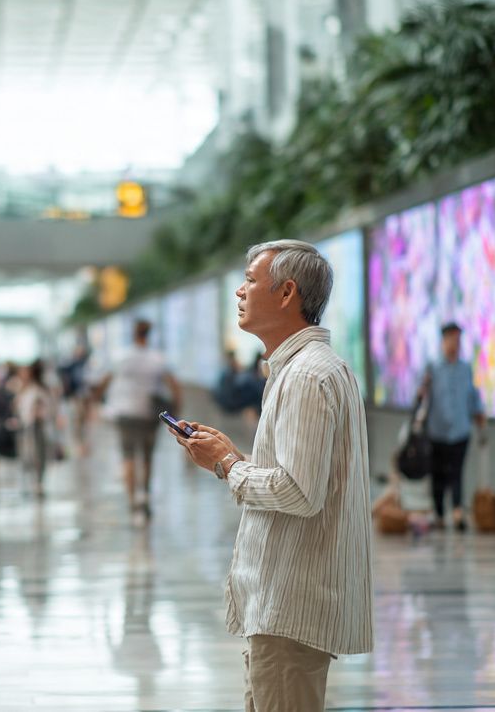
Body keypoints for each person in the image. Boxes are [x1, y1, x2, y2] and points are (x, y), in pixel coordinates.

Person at [169, 240, 372, 711]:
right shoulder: (309, 369)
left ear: (286, 293)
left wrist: (226, 465)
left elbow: (299, 492)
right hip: (285, 605)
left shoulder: (305, 376)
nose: (240, 292)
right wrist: (231, 454)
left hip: (290, 605)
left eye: (250, 281)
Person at [97, 319, 182, 520]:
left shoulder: (121, 356)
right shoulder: (157, 358)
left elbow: (104, 382)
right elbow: (174, 387)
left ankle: (132, 500)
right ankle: (144, 495)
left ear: (133, 334)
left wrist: (99, 399)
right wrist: (176, 412)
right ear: (149, 334)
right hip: (149, 414)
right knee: (146, 456)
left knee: (127, 456)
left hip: (124, 413)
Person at [418, 322, 487, 531]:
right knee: (438, 474)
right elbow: (422, 397)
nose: (454, 344)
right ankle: (439, 513)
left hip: (460, 430)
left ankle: (457, 513)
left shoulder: (466, 369)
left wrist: (479, 417)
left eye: (457, 340)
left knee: (457, 473)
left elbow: (472, 396)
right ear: (443, 341)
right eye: (451, 339)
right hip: (437, 431)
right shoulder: (433, 368)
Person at [15, 359, 61, 498]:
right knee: (28, 455)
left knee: (37, 455)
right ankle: (32, 483)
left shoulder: (37, 390)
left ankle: (38, 483)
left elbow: (44, 408)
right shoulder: (25, 389)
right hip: (27, 426)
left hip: (37, 427)